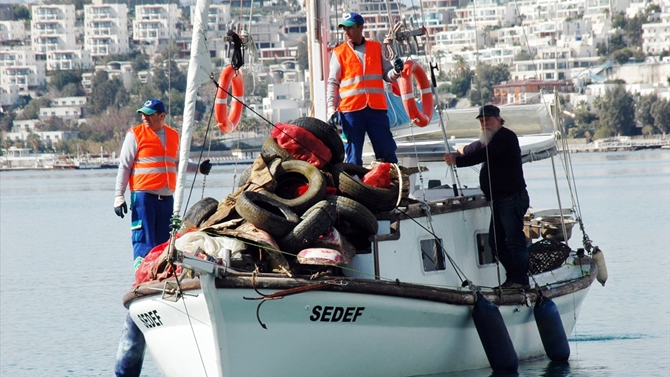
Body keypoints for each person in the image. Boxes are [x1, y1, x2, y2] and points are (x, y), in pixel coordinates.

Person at [112, 98, 211, 377]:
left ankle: (163, 276)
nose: (144, 118)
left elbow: (178, 165)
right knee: (144, 243)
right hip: (143, 198)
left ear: (161, 116)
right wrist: (119, 196)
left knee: (165, 245)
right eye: (143, 114)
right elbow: (124, 167)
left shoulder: (174, 136)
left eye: (150, 115)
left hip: (166, 199)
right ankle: (142, 280)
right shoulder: (135, 135)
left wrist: (198, 168)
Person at [443, 105, 530, 290]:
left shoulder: (506, 137)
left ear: (498, 120)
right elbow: (473, 148)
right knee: (496, 243)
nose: (484, 124)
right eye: (481, 121)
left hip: (512, 197)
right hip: (499, 200)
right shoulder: (488, 139)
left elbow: (483, 154)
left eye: (488, 120)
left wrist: (458, 161)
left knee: (514, 241)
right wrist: (460, 151)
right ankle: (513, 278)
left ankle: (521, 280)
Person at [327, 12, 403, 166]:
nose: (346, 32)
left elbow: (387, 75)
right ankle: (355, 186)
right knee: (353, 156)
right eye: (344, 29)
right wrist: (330, 109)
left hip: (376, 110)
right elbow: (333, 83)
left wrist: (396, 71)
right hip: (350, 112)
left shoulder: (376, 47)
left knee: (387, 152)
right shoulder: (339, 53)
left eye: (350, 28)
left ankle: (391, 183)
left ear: (361, 28)